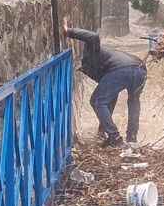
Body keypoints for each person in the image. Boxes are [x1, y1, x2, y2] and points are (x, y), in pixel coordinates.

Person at [63, 18, 147, 148]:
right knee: (133, 101)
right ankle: (132, 139)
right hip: (140, 68)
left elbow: (93, 36)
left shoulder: (91, 54)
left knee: (96, 101)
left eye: (84, 70)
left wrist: (68, 31)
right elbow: (109, 99)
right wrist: (102, 130)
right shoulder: (104, 62)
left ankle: (116, 139)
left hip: (122, 69)